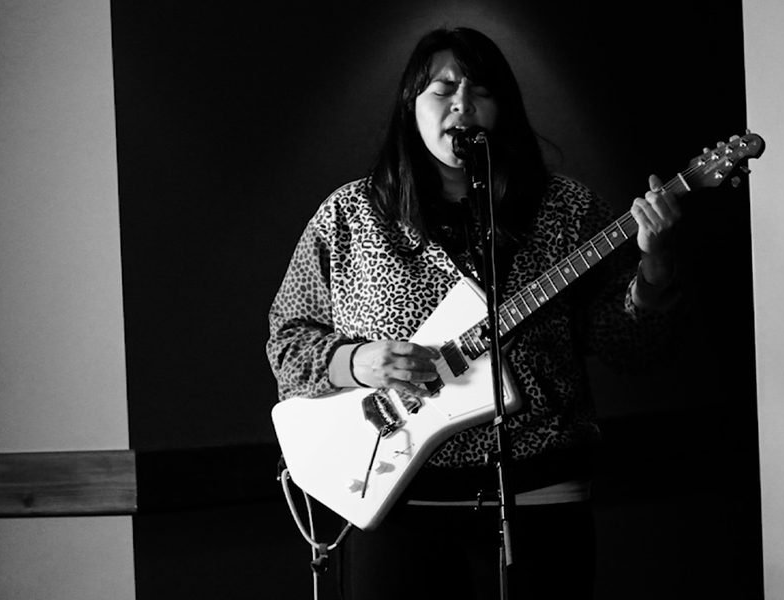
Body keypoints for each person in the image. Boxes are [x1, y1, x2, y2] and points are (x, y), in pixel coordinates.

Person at [265, 26, 684, 600]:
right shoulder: (352, 214)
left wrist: (656, 273)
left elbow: (631, 350)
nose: (463, 103)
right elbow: (287, 342)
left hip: (539, 497)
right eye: (443, 89)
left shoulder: (567, 209)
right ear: (411, 106)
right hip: (395, 497)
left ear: (502, 108)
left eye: (481, 90)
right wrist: (359, 360)